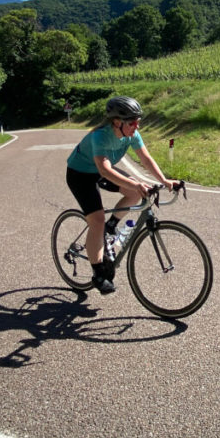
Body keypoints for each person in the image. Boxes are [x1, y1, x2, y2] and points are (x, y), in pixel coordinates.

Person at [65, 96, 175, 294]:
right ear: (117, 122)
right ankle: (98, 273)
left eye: (138, 122)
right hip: (80, 174)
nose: (136, 127)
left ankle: (111, 226)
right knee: (96, 220)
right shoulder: (100, 136)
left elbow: (146, 159)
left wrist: (165, 181)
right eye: (132, 122)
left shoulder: (131, 135)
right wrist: (136, 183)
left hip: (99, 171)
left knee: (134, 194)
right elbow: (105, 170)